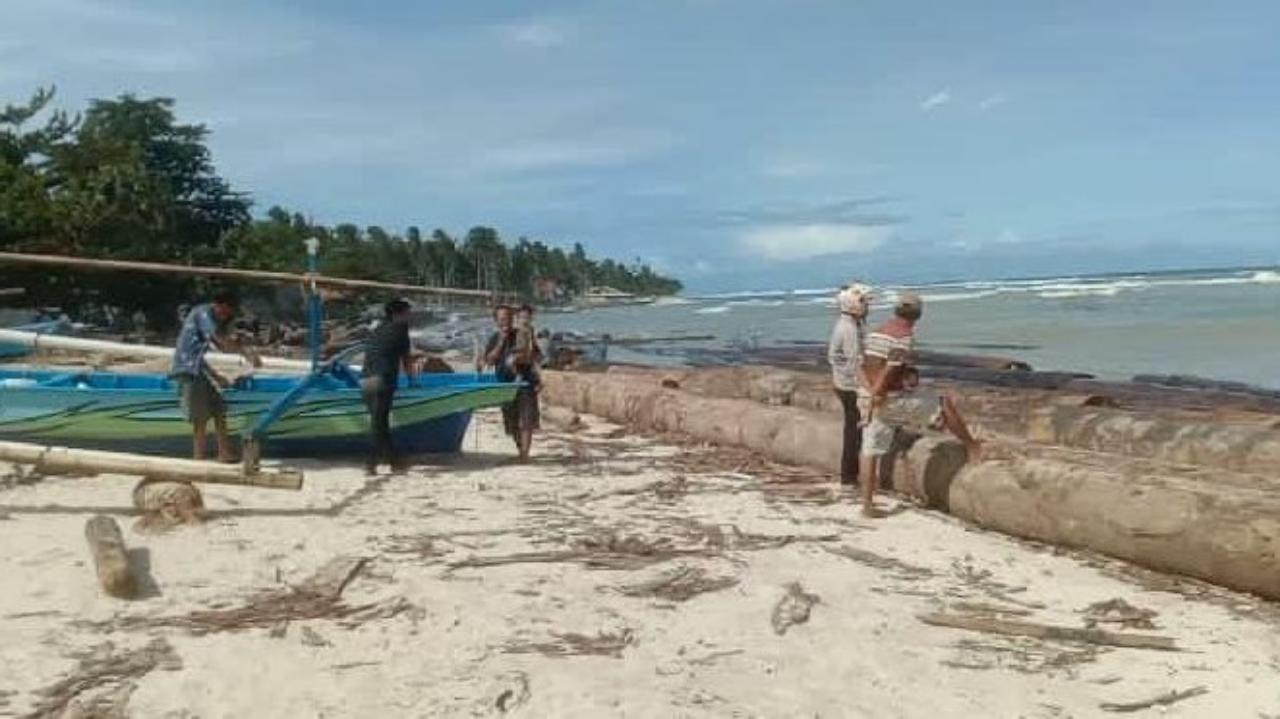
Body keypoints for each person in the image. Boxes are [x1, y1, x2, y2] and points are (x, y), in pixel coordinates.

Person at [858, 292, 982, 517]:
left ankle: (866, 505)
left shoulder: (876, 332)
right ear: (918, 314)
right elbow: (890, 369)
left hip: (869, 395)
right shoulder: (903, 337)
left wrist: (868, 393)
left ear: (896, 310)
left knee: (870, 451)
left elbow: (864, 365)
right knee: (943, 403)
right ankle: (972, 446)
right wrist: (877, 394)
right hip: (886, 398)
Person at [169, 290, 262, 462]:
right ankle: (198, 458)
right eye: (226, 312)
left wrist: (217, 376)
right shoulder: (203, 313)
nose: (225, 317)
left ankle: (224, 453)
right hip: (188, 370)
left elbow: (201, 354)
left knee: (219, 409)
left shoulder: (207, 316)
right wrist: (246, 353)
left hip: (198, 367)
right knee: (200, 418)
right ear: (221, 306)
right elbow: (219, 342)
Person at [361, 298, 418, 475]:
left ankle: (395, 462)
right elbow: (406, 359)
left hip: (365, 380)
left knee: (380, 423)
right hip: (382, 380)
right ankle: (370, 463)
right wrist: (412, 380)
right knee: (378, 425)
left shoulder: (378, 328)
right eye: (407, 313)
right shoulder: (400, 330)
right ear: (397, 314)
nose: (410, 317)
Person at [827, 282, 873, 486]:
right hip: (848, 385)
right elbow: (855, 363)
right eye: (864, 302)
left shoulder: (847, 324)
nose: (867, 307)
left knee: (853, 429)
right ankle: (850, 476)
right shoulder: (849, 329)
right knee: (855, 431)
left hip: (841, 381)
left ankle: (851, 475)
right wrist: (870, 389)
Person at [483, 305, 540, 461]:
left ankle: (524, 455)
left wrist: (525, 358)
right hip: (504, 384)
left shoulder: (522, 334)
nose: (505, 322)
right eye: (502, 319)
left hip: (525, 382)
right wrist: (501, 341)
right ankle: (520, 448)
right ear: (496, 321)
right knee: (511, 422)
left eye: (508, 318)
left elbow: (534, 356)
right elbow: (488, 360)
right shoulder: (494, 338)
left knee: (526, 419)